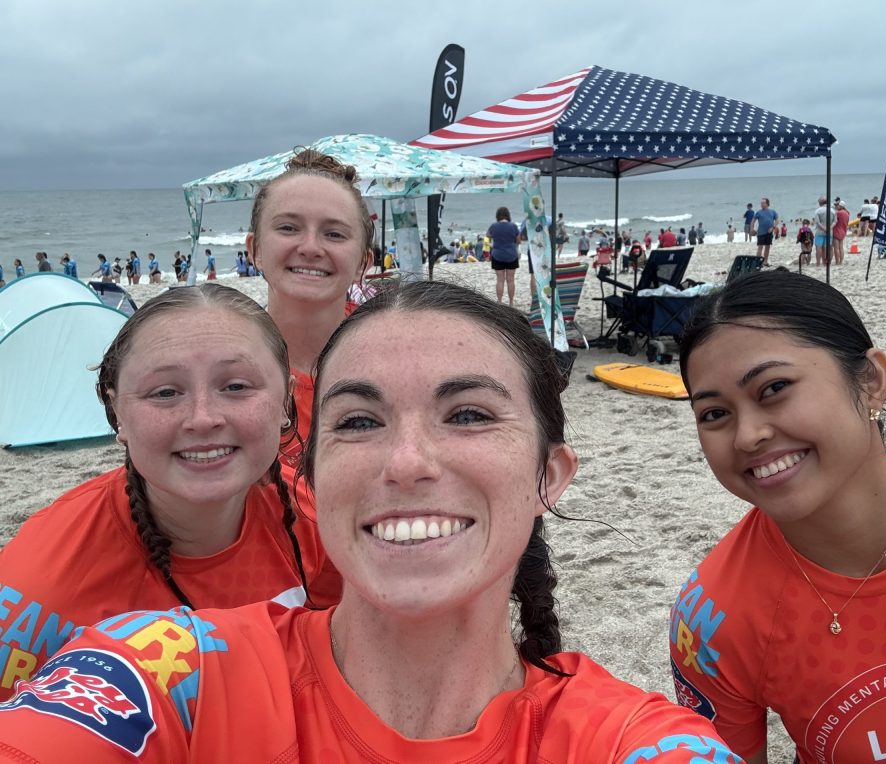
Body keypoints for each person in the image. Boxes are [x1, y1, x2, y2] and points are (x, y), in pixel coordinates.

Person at [0, 280, 741, 763]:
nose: (408, 462)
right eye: (358, 421)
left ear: (549, 475)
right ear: (313, 474)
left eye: (470, 414)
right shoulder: (167, 669)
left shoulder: (623, 742)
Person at [669, 270, 886, 764]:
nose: (747, 435)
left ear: (871, 380)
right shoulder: (713, 615)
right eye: (714, 414)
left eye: (774, 388)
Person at [0, 283, 340, 702]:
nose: (203, 418)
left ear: (286, 399)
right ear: (118, 412)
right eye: (165, 392)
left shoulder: (322, 519)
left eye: (235, 386)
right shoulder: (37, 585)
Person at [245, 148, 374, 463]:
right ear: (255, 249)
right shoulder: (223, 368)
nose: (311, 248)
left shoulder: (396, 360)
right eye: (288, 228)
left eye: (334, 234)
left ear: (363, 262)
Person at [487, 206, 520, 305]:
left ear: (497, 216)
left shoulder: (493, 226)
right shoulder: (513, 226)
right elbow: (518, 240)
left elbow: (488, 235)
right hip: (511, 255)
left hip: (497, 255)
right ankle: (511, 302)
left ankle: (500, 302)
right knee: (510, 280)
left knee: (500, 280)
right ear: (508, 215)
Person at [751, 197, 778, 266]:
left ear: (767, 204)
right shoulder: (758, 212)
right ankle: (757, 262)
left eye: (763, 203)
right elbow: (753, 221)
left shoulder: (772, 211)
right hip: (761, 232)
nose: (762, 204)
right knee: (760, 247)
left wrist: (773, 227)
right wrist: (752, 228)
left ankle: (765, 261)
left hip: (769, 232)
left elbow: (777, 220)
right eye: (761, 203)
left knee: (767, 247)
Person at [812, 196, 832, 266]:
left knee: (819, 247)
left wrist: (824, 228)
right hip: (829, 231)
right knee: (826, 248)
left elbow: (817, 222)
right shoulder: (832, 210)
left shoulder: (818, 211)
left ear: (820, 203)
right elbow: (835, 221)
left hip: (820, 231)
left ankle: (818, 263)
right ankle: (825, 262)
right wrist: (829, 228)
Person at [831, 199, 849, 265]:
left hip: (837, 230)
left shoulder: (838, 213)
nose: (836, 206)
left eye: (837, 205)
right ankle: (841, 261)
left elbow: (833, 221)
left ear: (840, 206)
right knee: (841, 247)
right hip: (843, 231)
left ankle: (837, 262)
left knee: (836, 248)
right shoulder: (847, 213)